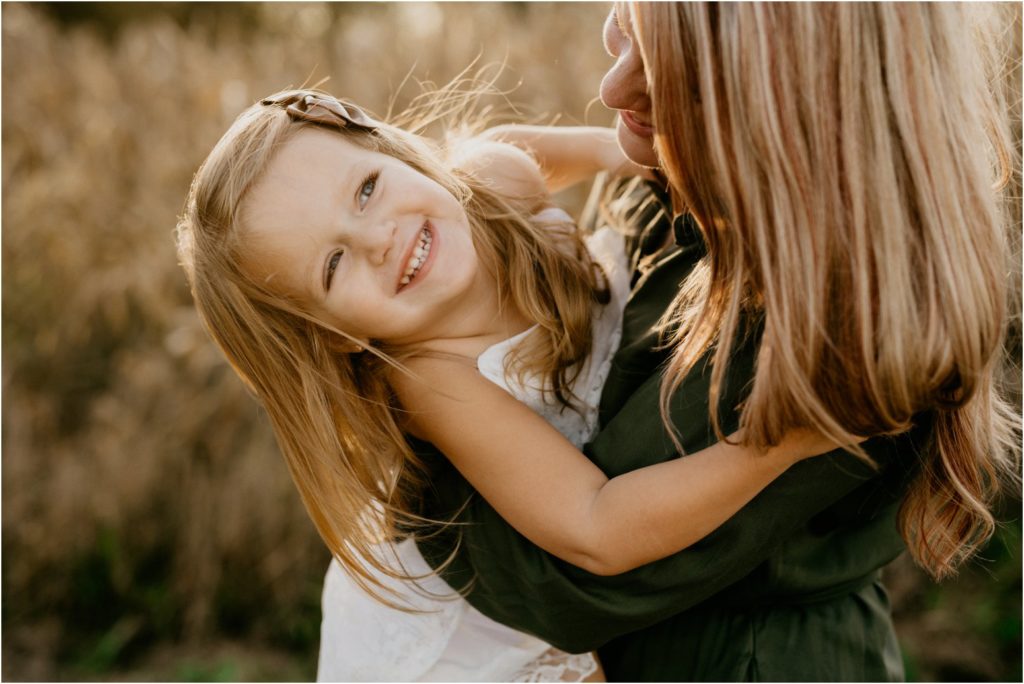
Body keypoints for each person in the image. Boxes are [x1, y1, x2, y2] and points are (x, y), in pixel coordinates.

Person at [412, 2, 1021, 681]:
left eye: (682, 76)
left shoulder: (833, 323)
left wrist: (408, 403)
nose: (613, 89)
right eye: (627, 26)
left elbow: (566, 579)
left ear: (804, 98)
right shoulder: (676, 171)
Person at [175, 89, 842, 681]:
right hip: (469, 647)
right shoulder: (434, 379)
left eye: (368, 188)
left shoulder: (493, 179)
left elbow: (559, 149)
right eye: (333, 265)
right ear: (336, 337)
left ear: (398, 154)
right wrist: (779, 444)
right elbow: (595, 529)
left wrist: (638, 156)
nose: (379, 238)